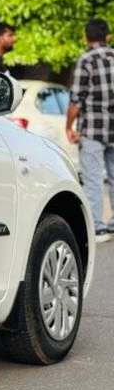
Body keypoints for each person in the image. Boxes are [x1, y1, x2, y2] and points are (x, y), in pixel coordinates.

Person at [66, 18, 114, 242]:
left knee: (93, 178)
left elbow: (76, 99)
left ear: (86, 37)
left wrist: (69, 126)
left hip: (93, 129)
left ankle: (97, 225)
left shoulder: (86, 60)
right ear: (108, 37)